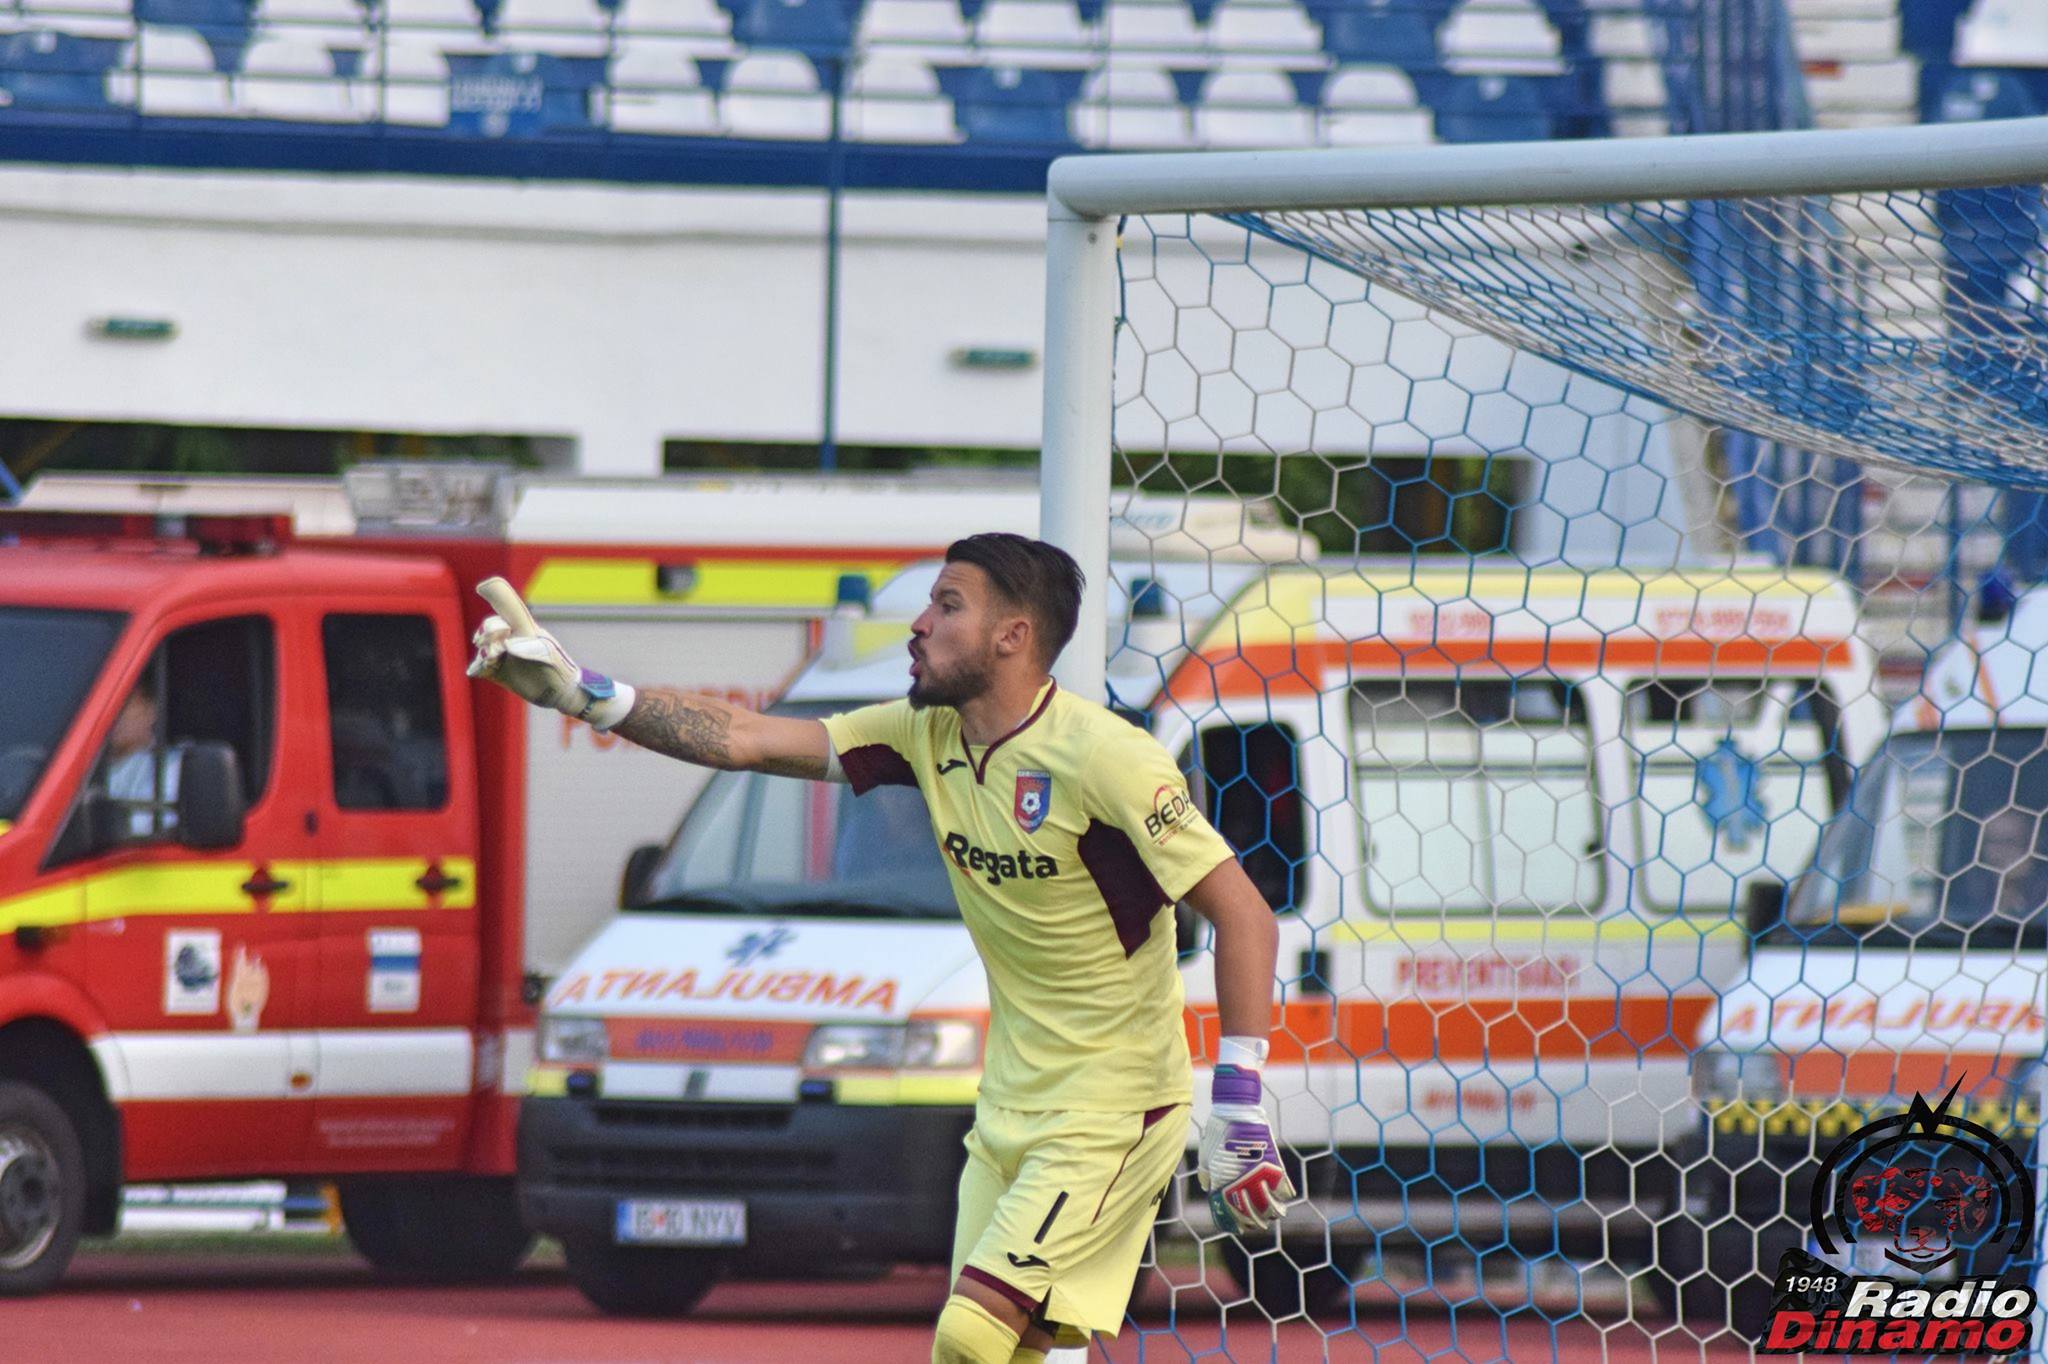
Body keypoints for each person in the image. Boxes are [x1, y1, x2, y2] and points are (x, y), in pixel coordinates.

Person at [468, 533, 1294, 1364]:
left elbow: (1245, 915)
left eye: (947, 605)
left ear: (1012, 635)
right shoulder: (921, 736)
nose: (919, 624)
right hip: (1006, 1110)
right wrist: (584, 694)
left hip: (1111, 1113)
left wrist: (1238, 1098)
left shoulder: (1107, 757)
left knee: (971, 1334)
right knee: (1015, 1355)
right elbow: (745, 736)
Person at [104, 686, 178, 838]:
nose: (113, 713)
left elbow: (141, 830)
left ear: (150, 711)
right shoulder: (78, 769)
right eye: (106, 705)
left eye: (123, 704)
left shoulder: (171, 767)